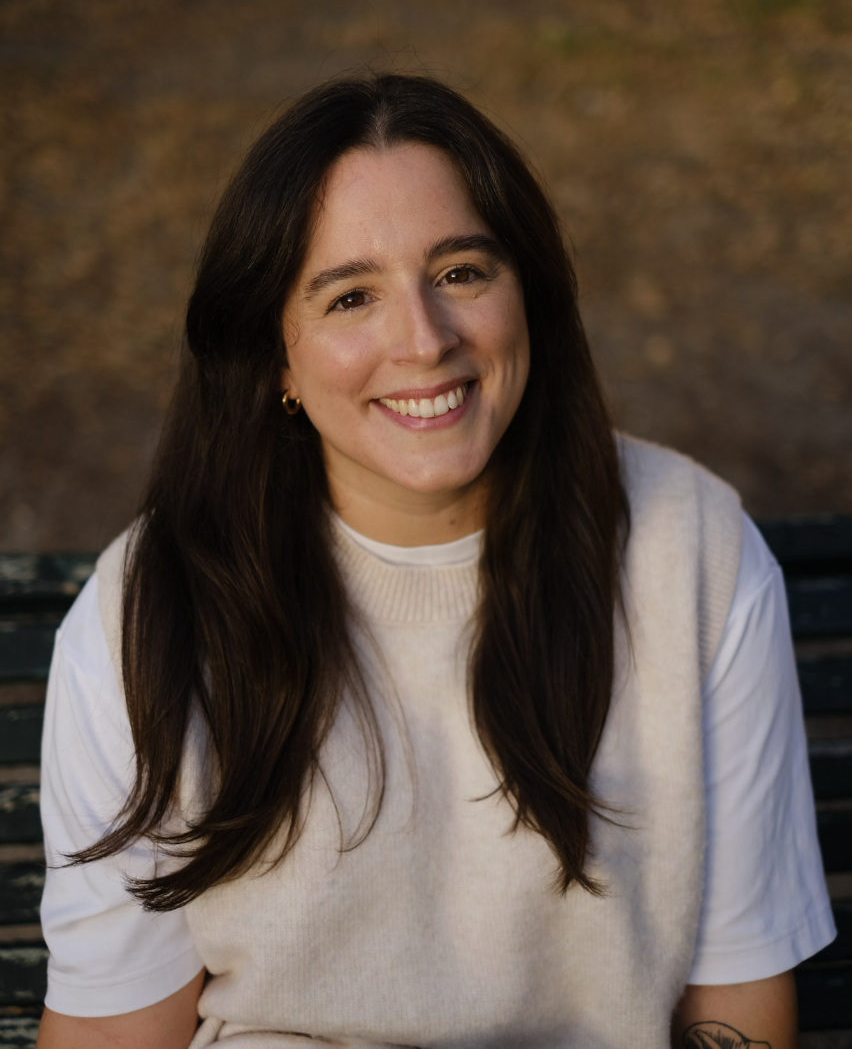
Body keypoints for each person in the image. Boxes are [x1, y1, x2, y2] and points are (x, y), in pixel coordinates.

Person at [36, 73, 834, 1049]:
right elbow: (118, 1031)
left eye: (461, 271)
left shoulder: (695, 558)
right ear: (276, 358)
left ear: (527, 293)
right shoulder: (147, 615)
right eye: (350, 295)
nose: (424, 340)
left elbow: (737, 1001)